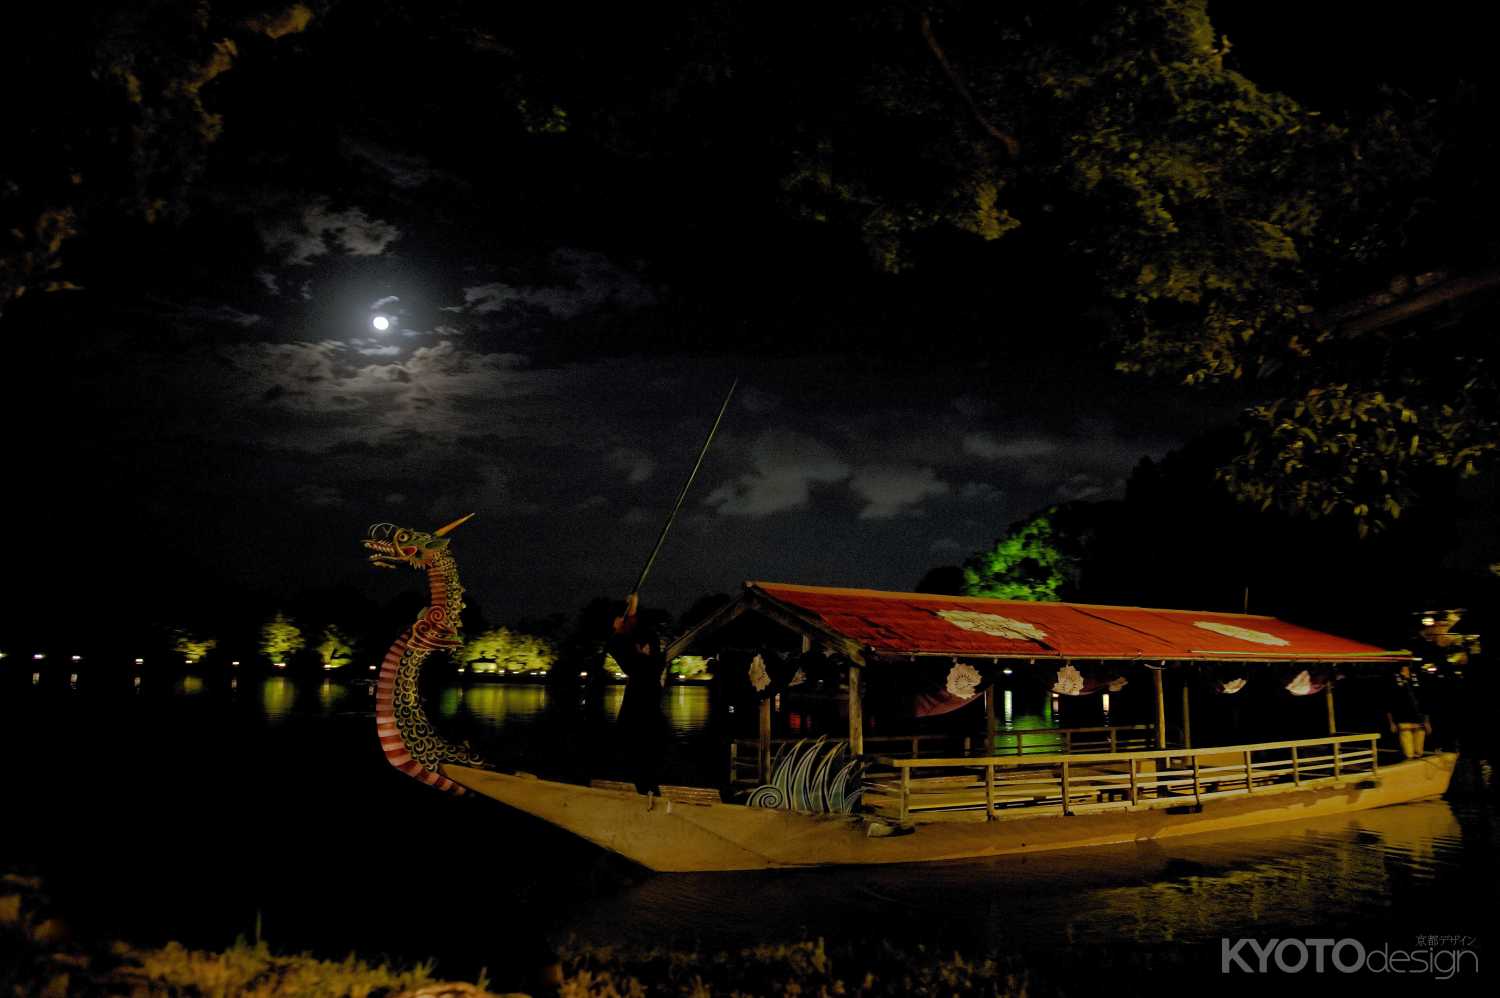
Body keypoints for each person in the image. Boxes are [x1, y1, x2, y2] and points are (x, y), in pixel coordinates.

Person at [605, 592, 669, 796]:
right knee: (642, 765)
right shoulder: (651, 664)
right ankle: (648, 792)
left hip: (640, 725)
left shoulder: (645, 666)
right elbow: (627, 651)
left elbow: (622, 651)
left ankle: (648, 794)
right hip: (644, 725)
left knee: (640, 762)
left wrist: (619, 630)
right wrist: (631, 615)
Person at [1385, 665, 1431, 759]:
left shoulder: (1416, 683)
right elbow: (1389, 705)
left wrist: (1427, 721)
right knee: (1409, 753)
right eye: (1403, 671)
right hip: (1404, 722)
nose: (1406, 672)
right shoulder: (1395, 684)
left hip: (1419, 722)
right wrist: (1392, 723)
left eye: (1407, 670)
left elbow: (1424, 703)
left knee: (1419, 751)